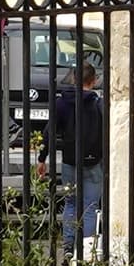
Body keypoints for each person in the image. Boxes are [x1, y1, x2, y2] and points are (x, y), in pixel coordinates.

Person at [46, 55, 107, 247]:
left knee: (71, 204)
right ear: (94, 80)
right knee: (90, 207)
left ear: (73, 79)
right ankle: (87, 250)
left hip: (70, 160)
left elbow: (50, 131)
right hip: (94, 160)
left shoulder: (62, 103)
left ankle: (69, 247)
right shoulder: (98, 104)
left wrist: (42, 158)